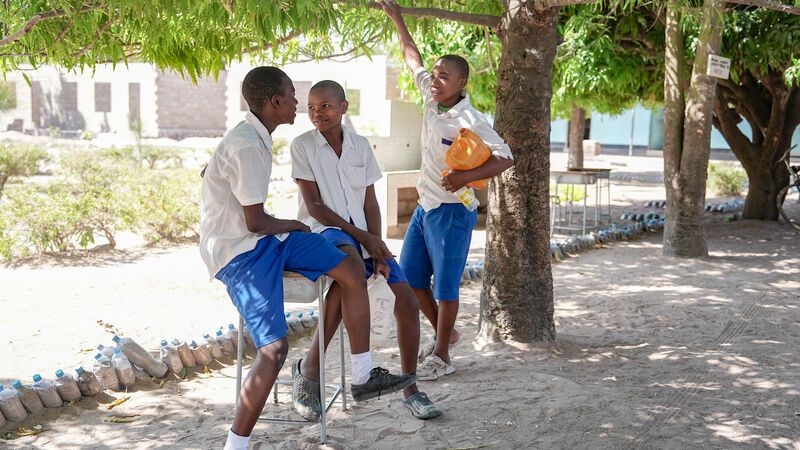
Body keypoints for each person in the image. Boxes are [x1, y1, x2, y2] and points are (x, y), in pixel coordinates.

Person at [199, 67, 414, 450]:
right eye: (294, 97)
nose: (301, 105)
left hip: (268, 238)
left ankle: (363, 375)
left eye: (319, 103)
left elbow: (244, 198)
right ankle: (236, 444)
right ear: (276, 102)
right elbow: (256, 220)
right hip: (241, 252)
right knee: (274, 350)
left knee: (350, 268)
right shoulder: (252, 144)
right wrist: (295, 226)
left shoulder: (256, 138)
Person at [289, 80, 441, 420]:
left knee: (407, 300)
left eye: (326, 105)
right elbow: (314, 206)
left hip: (362, 234)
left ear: (344, 107)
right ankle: (353, 373)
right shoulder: (303, 146)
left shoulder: (360, 146)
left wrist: (376, 243)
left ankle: (410, 388)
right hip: (324, 230)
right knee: (353, 270)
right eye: (312, 107)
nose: (317, 112)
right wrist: (366, 240)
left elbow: (370, 202)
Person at [382, 0, 515, 381]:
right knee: (407, 277)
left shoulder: (472, 119)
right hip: (426, 207)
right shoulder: (431, 98)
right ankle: (447, 331)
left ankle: (441, 353)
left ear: (462, 84)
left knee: (445, 285)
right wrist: (397, 18)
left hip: (454, 209)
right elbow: (413, 59)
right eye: (436, 75)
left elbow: (506, 156)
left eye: (444, 77)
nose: (436, 80)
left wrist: (461, 178)